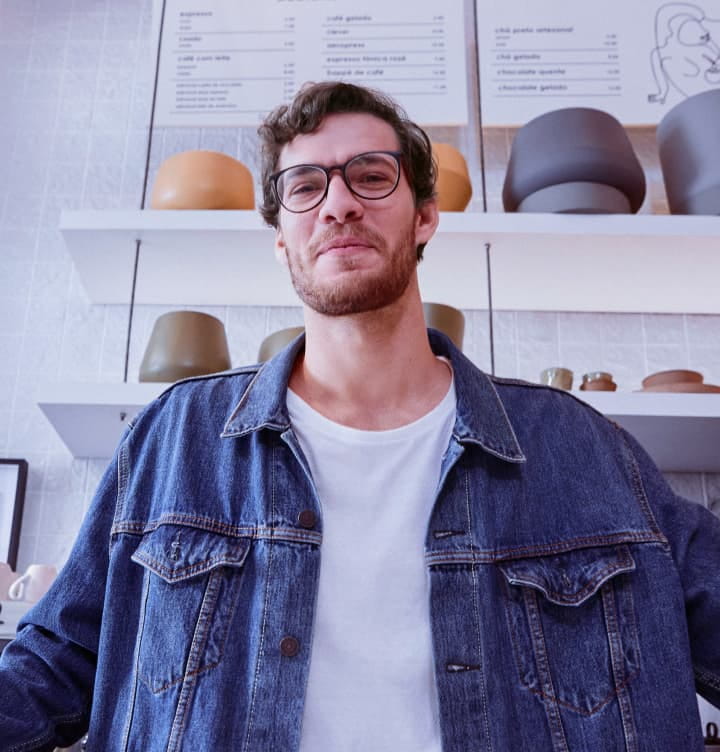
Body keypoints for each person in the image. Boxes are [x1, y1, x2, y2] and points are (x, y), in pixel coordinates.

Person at [0, 81, 719, 752]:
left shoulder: (582, 446)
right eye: (305, 187)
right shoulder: (176, 436)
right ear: (282, 236)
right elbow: (52, 663)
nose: (338, 205)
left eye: (371, 176)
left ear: (426, 216)